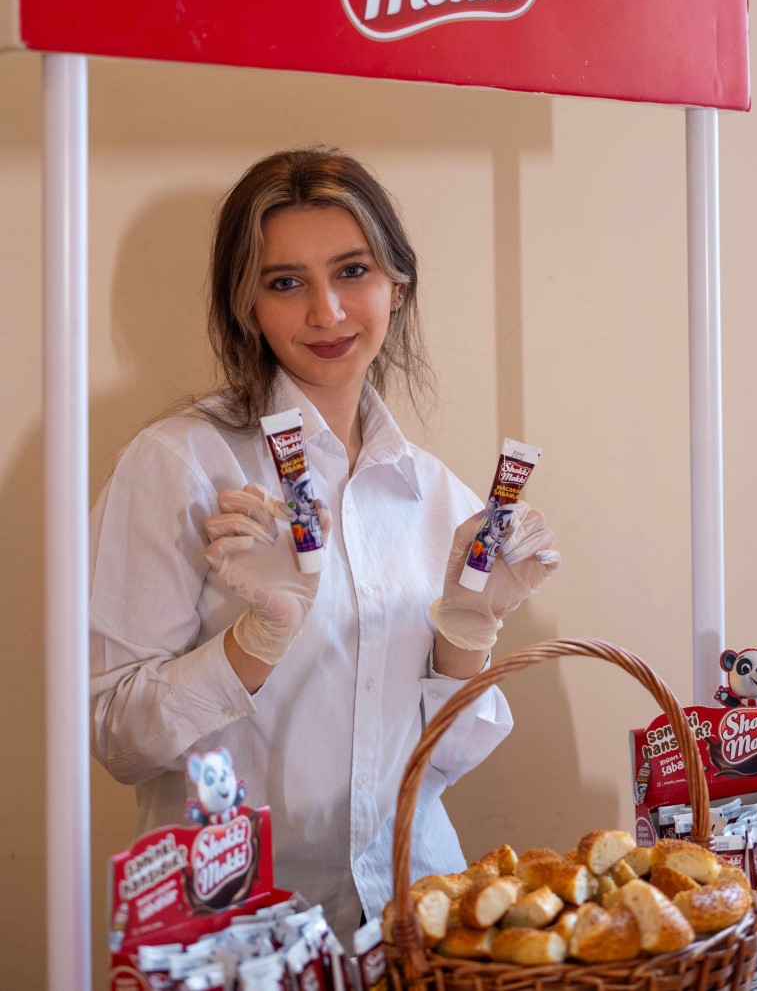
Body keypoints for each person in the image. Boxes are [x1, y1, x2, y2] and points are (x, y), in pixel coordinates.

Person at [89, 147, 560, 944]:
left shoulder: (436, 496)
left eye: (352, 271)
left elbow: (437, 764)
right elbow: (115, 735)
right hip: (242, 936)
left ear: (396, 285)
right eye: (285, 282)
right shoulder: (181, 463)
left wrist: (468, 632)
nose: (327, 311)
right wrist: (253, 642)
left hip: (413, 920)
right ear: (246, 305)